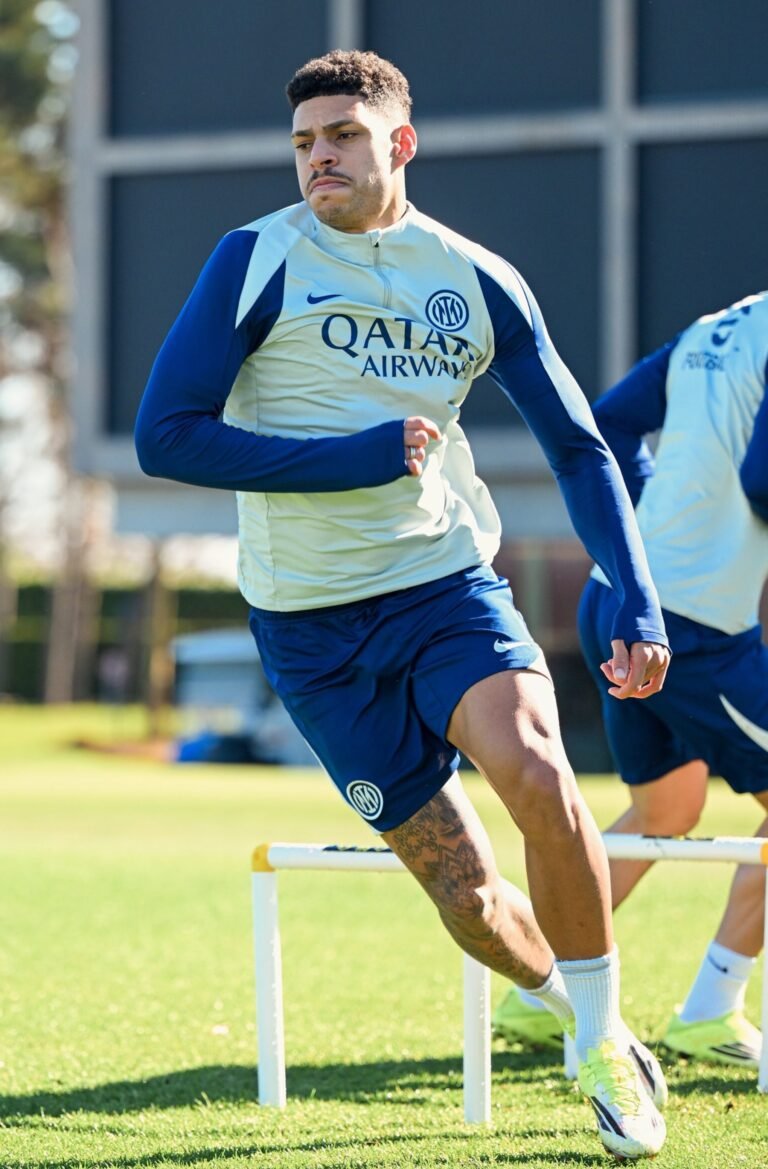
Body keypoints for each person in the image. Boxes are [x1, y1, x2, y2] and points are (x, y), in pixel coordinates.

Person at [134, 50, 671, 1158]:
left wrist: (635, 589)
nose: (318, 158)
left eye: (342, 135)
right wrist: (354, 459)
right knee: (466, 896)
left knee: (539, 769)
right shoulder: (255, 258)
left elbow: (579, 446)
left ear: (400, 143)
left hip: (444, 586)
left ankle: (604, 1041)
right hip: (309, 629)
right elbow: (166, 436)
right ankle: (572, 1008)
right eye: (303, 142)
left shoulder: (476, 278)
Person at [494, 291, 768, 1072]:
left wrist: (655, 518)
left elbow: (609, 421)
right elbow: (762, 480)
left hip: (621, 593)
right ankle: (711, 1009)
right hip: (694, 624)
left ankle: (538, 991)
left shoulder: (718, 323)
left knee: (665, 808)